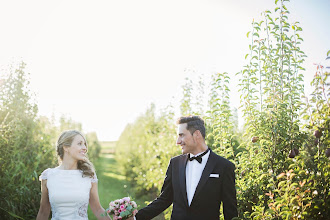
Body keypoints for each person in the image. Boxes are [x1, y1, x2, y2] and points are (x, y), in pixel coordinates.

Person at [135, 115, 238, 220]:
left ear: (197, 134)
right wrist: (135, 218)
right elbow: (164, 200)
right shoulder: (175, 163)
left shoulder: (224, 166)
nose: (178, 141)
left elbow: (230, 210)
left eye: (182, 135)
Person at [36, 130, 110, 220]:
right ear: (66, 147)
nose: (85, 148)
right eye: (80, 144)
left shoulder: (89, 175)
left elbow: (98, 210)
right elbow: (43, 212)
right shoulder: (48, 176)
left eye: (85, 144)